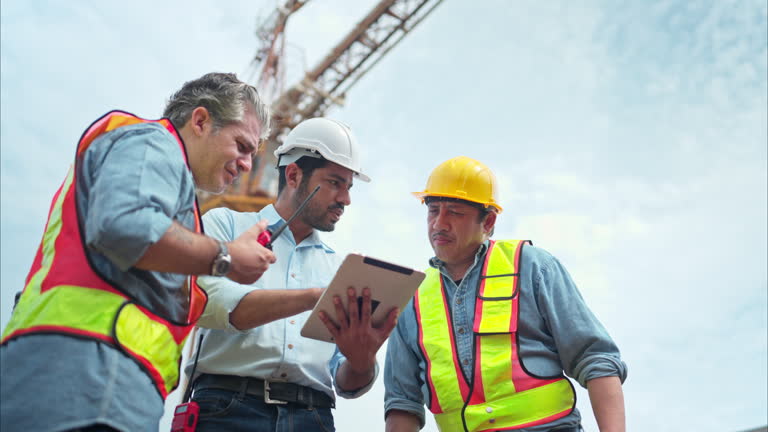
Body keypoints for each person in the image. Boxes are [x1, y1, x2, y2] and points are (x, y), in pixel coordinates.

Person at [0, 72, 278, 432]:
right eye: (241, 146)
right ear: (200, 120)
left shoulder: (167, 180)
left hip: (95, 376)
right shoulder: (153, 143)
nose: (246, 165)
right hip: (90, 374)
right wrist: (226, 257)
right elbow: (126, 227)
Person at [384, 156, 628, 432]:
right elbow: (402, 403)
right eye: (433, 210)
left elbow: (595, 360)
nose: (439, 223)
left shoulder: (532, 267)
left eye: (454, 212)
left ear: (488, 221)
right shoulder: (411, 299)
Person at [186, 117, 398, 432]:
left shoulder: (338, 269)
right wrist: (313, 298)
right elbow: (212, 304)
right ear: (295, 174)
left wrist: (361, 359)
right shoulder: (225, 225)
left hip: (314, 417)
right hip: (227, 410)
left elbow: (347, 382)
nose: (346, 200)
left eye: (349, 187)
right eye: (335, 183)